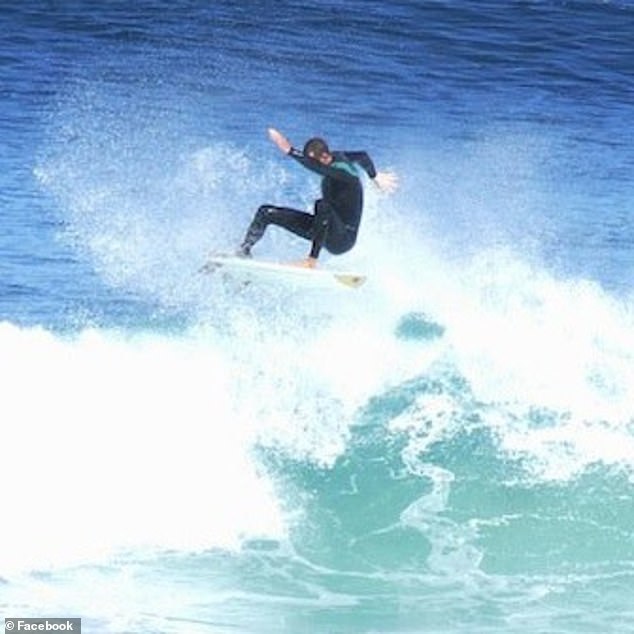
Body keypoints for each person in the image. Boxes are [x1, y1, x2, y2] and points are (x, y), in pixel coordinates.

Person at [237, 128, 398, 268]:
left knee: (323, 205)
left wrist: (290, 151)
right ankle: (243, 251)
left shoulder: (344, 172)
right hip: (323, 228)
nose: (315, 167)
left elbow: (317, 167)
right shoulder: (336, 157)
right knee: (266, 212)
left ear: (324, 158)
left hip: (342, 239)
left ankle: (311, 261)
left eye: (316, 163)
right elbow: (362, 156)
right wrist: (374, 176)